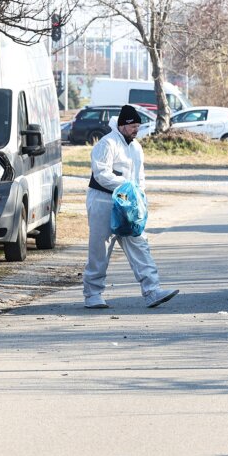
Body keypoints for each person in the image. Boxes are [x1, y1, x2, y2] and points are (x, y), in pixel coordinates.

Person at [83, 104, 179, 309]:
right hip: (103, 201)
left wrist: (140, 196)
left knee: (139, 244)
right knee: (101, 248)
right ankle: (93, 294)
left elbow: (139, 177)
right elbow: (101, 174)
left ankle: (152, 291)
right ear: (122, 125)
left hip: (128, 203)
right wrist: (126, 185)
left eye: (138, 125)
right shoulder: (106, 144)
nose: (136, 129)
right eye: (133, 125)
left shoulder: (136, 147)